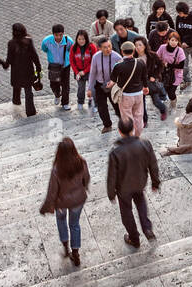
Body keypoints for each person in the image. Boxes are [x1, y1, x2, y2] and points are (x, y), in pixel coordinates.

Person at [107, 117, 160, 245]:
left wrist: (111, 193)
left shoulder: (115, 151)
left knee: (126, 212)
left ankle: (134, 238)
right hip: (140, 182)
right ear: (133, 128)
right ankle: (147, 228)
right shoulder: (145, 144)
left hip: (123, 188)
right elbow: (153, 164)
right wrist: (155, 182)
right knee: (141, 202)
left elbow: (112, 176)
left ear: (120, 131)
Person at [40, 137, 90, 266]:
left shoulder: (57, 169)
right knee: (74, 225)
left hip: (61, 203)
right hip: (78, 201)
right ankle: (76, 252)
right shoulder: (81, 162)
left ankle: (66, 248)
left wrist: (46, 206)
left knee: (61, 221)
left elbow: (52, 191)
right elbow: (87, 178)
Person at [5, 22, 42, 117]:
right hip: (28, 70)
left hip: (16, 71)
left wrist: (5, 64)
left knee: (16, 86)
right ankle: (30, 111)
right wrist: (38, 67)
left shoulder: (11, 43)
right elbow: (34, 55)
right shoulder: (28, 41)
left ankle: (16, 101)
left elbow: (9, 59)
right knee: (28, 91)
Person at [42, 24, 74, 112]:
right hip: (53, 66)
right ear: (53, 34)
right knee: (53, 83)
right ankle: (57, 95)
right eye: (56, 35)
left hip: (65, 66)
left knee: (65, 85)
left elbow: (72, 50)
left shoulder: (69, 41)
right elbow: (44, 49)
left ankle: (65, 102)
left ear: (63, 33)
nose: (59, 37)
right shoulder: (46, 41)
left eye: (61, 35)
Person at [68, 29, 95, 109]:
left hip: (90, 70)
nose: (81, 41)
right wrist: (77, 72)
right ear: (76, 39)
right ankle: (80, 102)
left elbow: (94, 61)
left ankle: (92, 100)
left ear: (86, 39)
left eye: (83, 39)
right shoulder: (74, 47)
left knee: (91, 86)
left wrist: (85, 71)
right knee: (81, 87)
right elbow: (72, 61)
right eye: (79, 39)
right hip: (78, 71)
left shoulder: (91, 47)